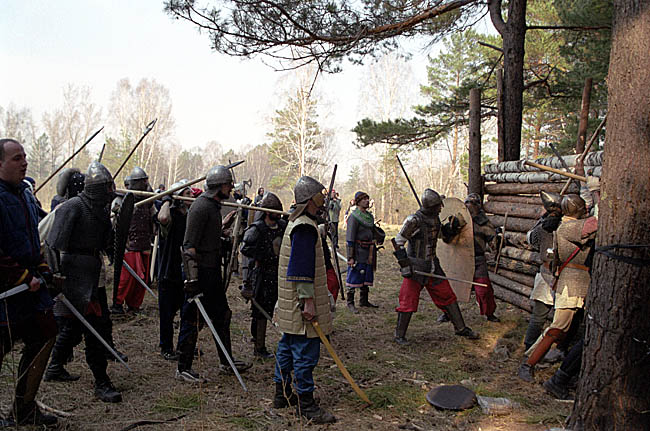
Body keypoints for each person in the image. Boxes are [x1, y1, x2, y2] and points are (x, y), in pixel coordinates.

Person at [45, 161, 123, 403]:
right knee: (92, 328)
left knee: (75, 326)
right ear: (96, 188)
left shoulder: (100, 210)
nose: (110, 191)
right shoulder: (73, 207)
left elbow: (106, 242)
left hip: (92, 272)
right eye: (106, 187)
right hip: (74, 274)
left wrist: (114, 235)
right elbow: (52, 245)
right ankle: (101, 381)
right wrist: (56, 275)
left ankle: (55, 366)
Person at [0, 138, 58, 427]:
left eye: (24, 157)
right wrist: (22, 276)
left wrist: (42, 269)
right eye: (16, 158)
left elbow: (33, 239)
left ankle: (23, 409)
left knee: (46, 334)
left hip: (30, 289)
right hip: (5, 289)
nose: (24, 162)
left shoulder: (25, 193)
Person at [176, 166, 251, 383]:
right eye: (228, 185)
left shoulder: (213, 206)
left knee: (222, 315)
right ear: (218, 186)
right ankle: (183, 368)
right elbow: (189, 247)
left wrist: (222, 233)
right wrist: (193, 280)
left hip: (212, 272)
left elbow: (207, 239)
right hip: (200, 274)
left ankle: (226, 361)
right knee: (192, 319)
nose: (230, 188)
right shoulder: (200, 207)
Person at [272, 176, 336, 424]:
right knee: (304, 353)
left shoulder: (296, 223)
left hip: (291, 303)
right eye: (319, 198)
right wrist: (308, 301)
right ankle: (305, 404)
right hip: (301, 303)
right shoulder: (305, 228)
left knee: (287, 348)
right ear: (310, 200)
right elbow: (301, 269)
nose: (322, 203)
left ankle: (282, 394)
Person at [518, 194, 597, 382]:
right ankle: (528, 363)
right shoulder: (568, 226)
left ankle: (556, 359)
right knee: (557, 327)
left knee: (566, 327)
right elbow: (595, 223)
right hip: (571, 284)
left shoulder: (569, 224)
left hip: (581, 283)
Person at [392, 188, 479, 344]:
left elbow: (441, 236)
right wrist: (405, 265)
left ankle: (460, 328)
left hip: (433, 265)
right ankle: (399, 335)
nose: (441, 208)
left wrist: (451, 227)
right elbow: (398, 242)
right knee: (408, 301)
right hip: (416, 267)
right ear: (431, 207)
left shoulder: (435, 219)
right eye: (438, 206)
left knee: (447, 296)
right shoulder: (413, 220)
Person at [240, 192, 287, 358]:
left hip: (278, 273)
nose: (279, 214)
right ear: (267, 211)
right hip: (261, 273)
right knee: (260, 311)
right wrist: (247, 281)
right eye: (275, 211)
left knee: (275, 307)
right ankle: (259, 347)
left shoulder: (282, 226)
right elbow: (246, 250)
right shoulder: (257, 229)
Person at [156, 179, 192, 360]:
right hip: (168, 271)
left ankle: (184, 346)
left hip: (184, 271)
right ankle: (166, 347)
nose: (191, 196)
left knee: (186, 312)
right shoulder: (169, 215)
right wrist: (167, 199)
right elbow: (162, 218)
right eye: (187, 193)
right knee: (167, 314)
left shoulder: (189, 216)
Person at [522, 191, 563, 351]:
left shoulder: (542, 227)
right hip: (553, 275)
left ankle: (537, 346)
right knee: (543, 317)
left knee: (542, 317)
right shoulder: (565, 225)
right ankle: (531, 346)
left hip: (555, 274)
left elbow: (532, 240)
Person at [112, 167, 154, 313]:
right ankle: (117, 304)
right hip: (128, 245)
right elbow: (115, 221)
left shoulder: (148, 200)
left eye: (145, 181)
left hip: (144, 243)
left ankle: (134, 305)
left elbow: (153, 217)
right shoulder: (122, 198)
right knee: (126, 279)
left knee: (141, 280)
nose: (145, 183)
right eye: (142, 181)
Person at [462, 193, 500, 322]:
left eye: (472, 203)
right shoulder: (459, 218)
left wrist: (496, 240)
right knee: (453, 287)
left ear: (478, 206)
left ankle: (489, 313)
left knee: (483, 289)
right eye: (467, 203)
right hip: (459, 259)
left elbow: (492, 241)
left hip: (477, 259)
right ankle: (447, 313)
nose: (469, 206)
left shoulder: (483, 222)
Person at [345, 191, 378, 313]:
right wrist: (350, 257)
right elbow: (350, 238)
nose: (367, 201)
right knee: (354, 276)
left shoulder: (369, 217)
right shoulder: (353, 217)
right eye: (364, 199)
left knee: (366, 274)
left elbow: (372, 233)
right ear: (358, 202)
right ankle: (350, 302)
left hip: (368, 252)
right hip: (358, 251)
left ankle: (364, 301)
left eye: (367, 199)